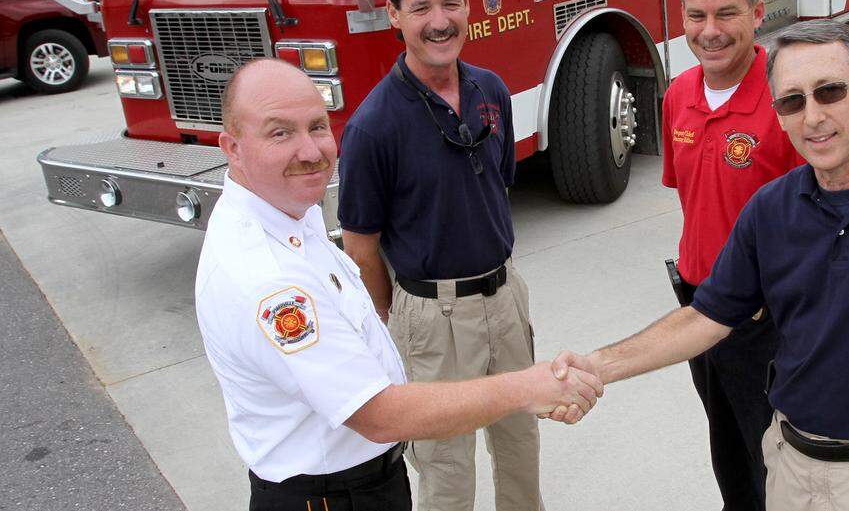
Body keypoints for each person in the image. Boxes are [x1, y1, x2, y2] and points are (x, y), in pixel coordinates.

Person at [552, 20, 849, 511]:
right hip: (788, 464)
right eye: (792, 101)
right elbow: (705, 319)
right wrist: (595, 366)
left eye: (830, 92)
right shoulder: (770, 209)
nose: (812, 117)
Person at [195, 59, 602, 511]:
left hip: (362, 482)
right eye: (279, 133)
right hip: (331, 496)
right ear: (232, 148)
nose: (310, 151)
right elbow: (381, 415)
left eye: (316, 126)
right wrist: (530, 387)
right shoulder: (269, 283)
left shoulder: (288, 206)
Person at [336, 0, 541, 511]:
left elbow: (497, 183)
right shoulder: (373, 127)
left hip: (504, 300)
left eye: (451, 3)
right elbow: (360, 248)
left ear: (469, 9)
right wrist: (403, 314)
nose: (440, 21)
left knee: (521, 443)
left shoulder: (490, 91)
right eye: (421, 7)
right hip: (433, 317)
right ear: (394, 15)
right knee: (446, 469)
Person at [661, 0, 803, 511]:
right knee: (728, 451)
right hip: (700, 307)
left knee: (779, 458)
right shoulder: (677, 97)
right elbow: (696, 203)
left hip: (768, 318)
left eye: (726, 13)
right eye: (696, 15)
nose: (710, 31)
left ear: (758, 12)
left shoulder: (789, 97)